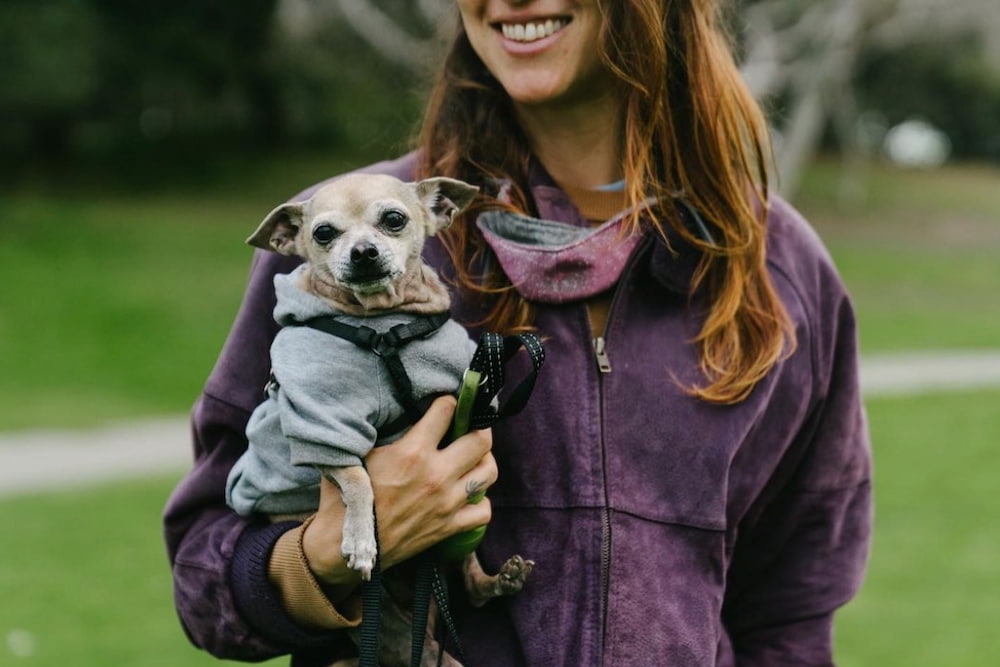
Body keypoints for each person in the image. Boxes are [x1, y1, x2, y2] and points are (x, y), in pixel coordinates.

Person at [164, 1, 873, 665]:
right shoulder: (343, 252)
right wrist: (324, 549)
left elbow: (791, 610)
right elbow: (206, 567)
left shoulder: (779, 267)